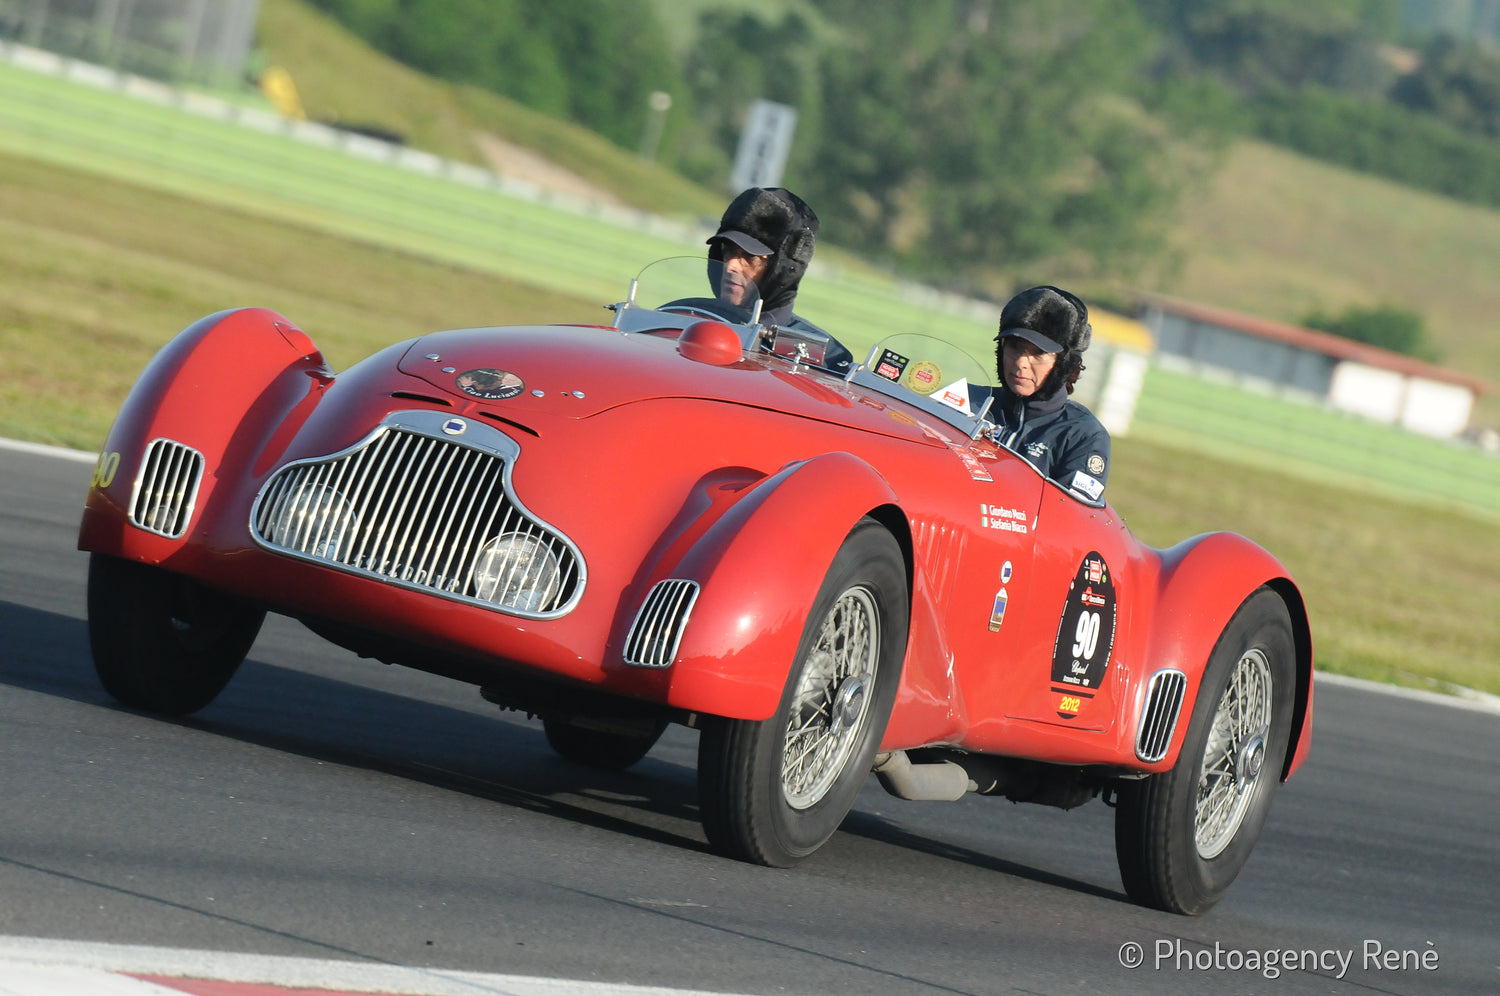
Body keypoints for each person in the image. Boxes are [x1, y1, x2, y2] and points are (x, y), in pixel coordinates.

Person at [989, 285, 1110, 502]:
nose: (1021, 363)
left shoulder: (1082, 435)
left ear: (1064, 364)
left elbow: (1067, 518)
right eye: (1015, 347)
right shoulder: (966, 401)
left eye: (1038, 353)